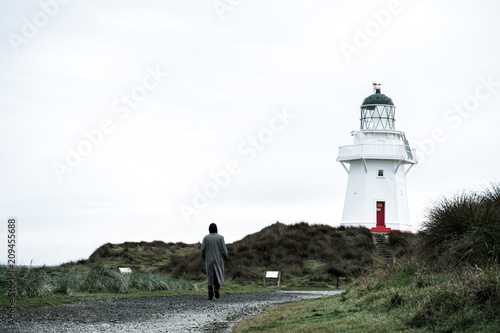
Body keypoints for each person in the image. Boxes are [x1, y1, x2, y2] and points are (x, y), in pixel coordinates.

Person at [201, 223, 228, 300]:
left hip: (209, 259)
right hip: (218, 259)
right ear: (216, 229)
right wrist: (225, 257)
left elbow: (203, 249)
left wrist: (204, 257)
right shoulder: (220, 238)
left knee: (209, 275)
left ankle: (210, 292)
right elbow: (224, 250)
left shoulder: (206, 238)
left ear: (209, 229)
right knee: (218, 274)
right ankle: (216, 289)